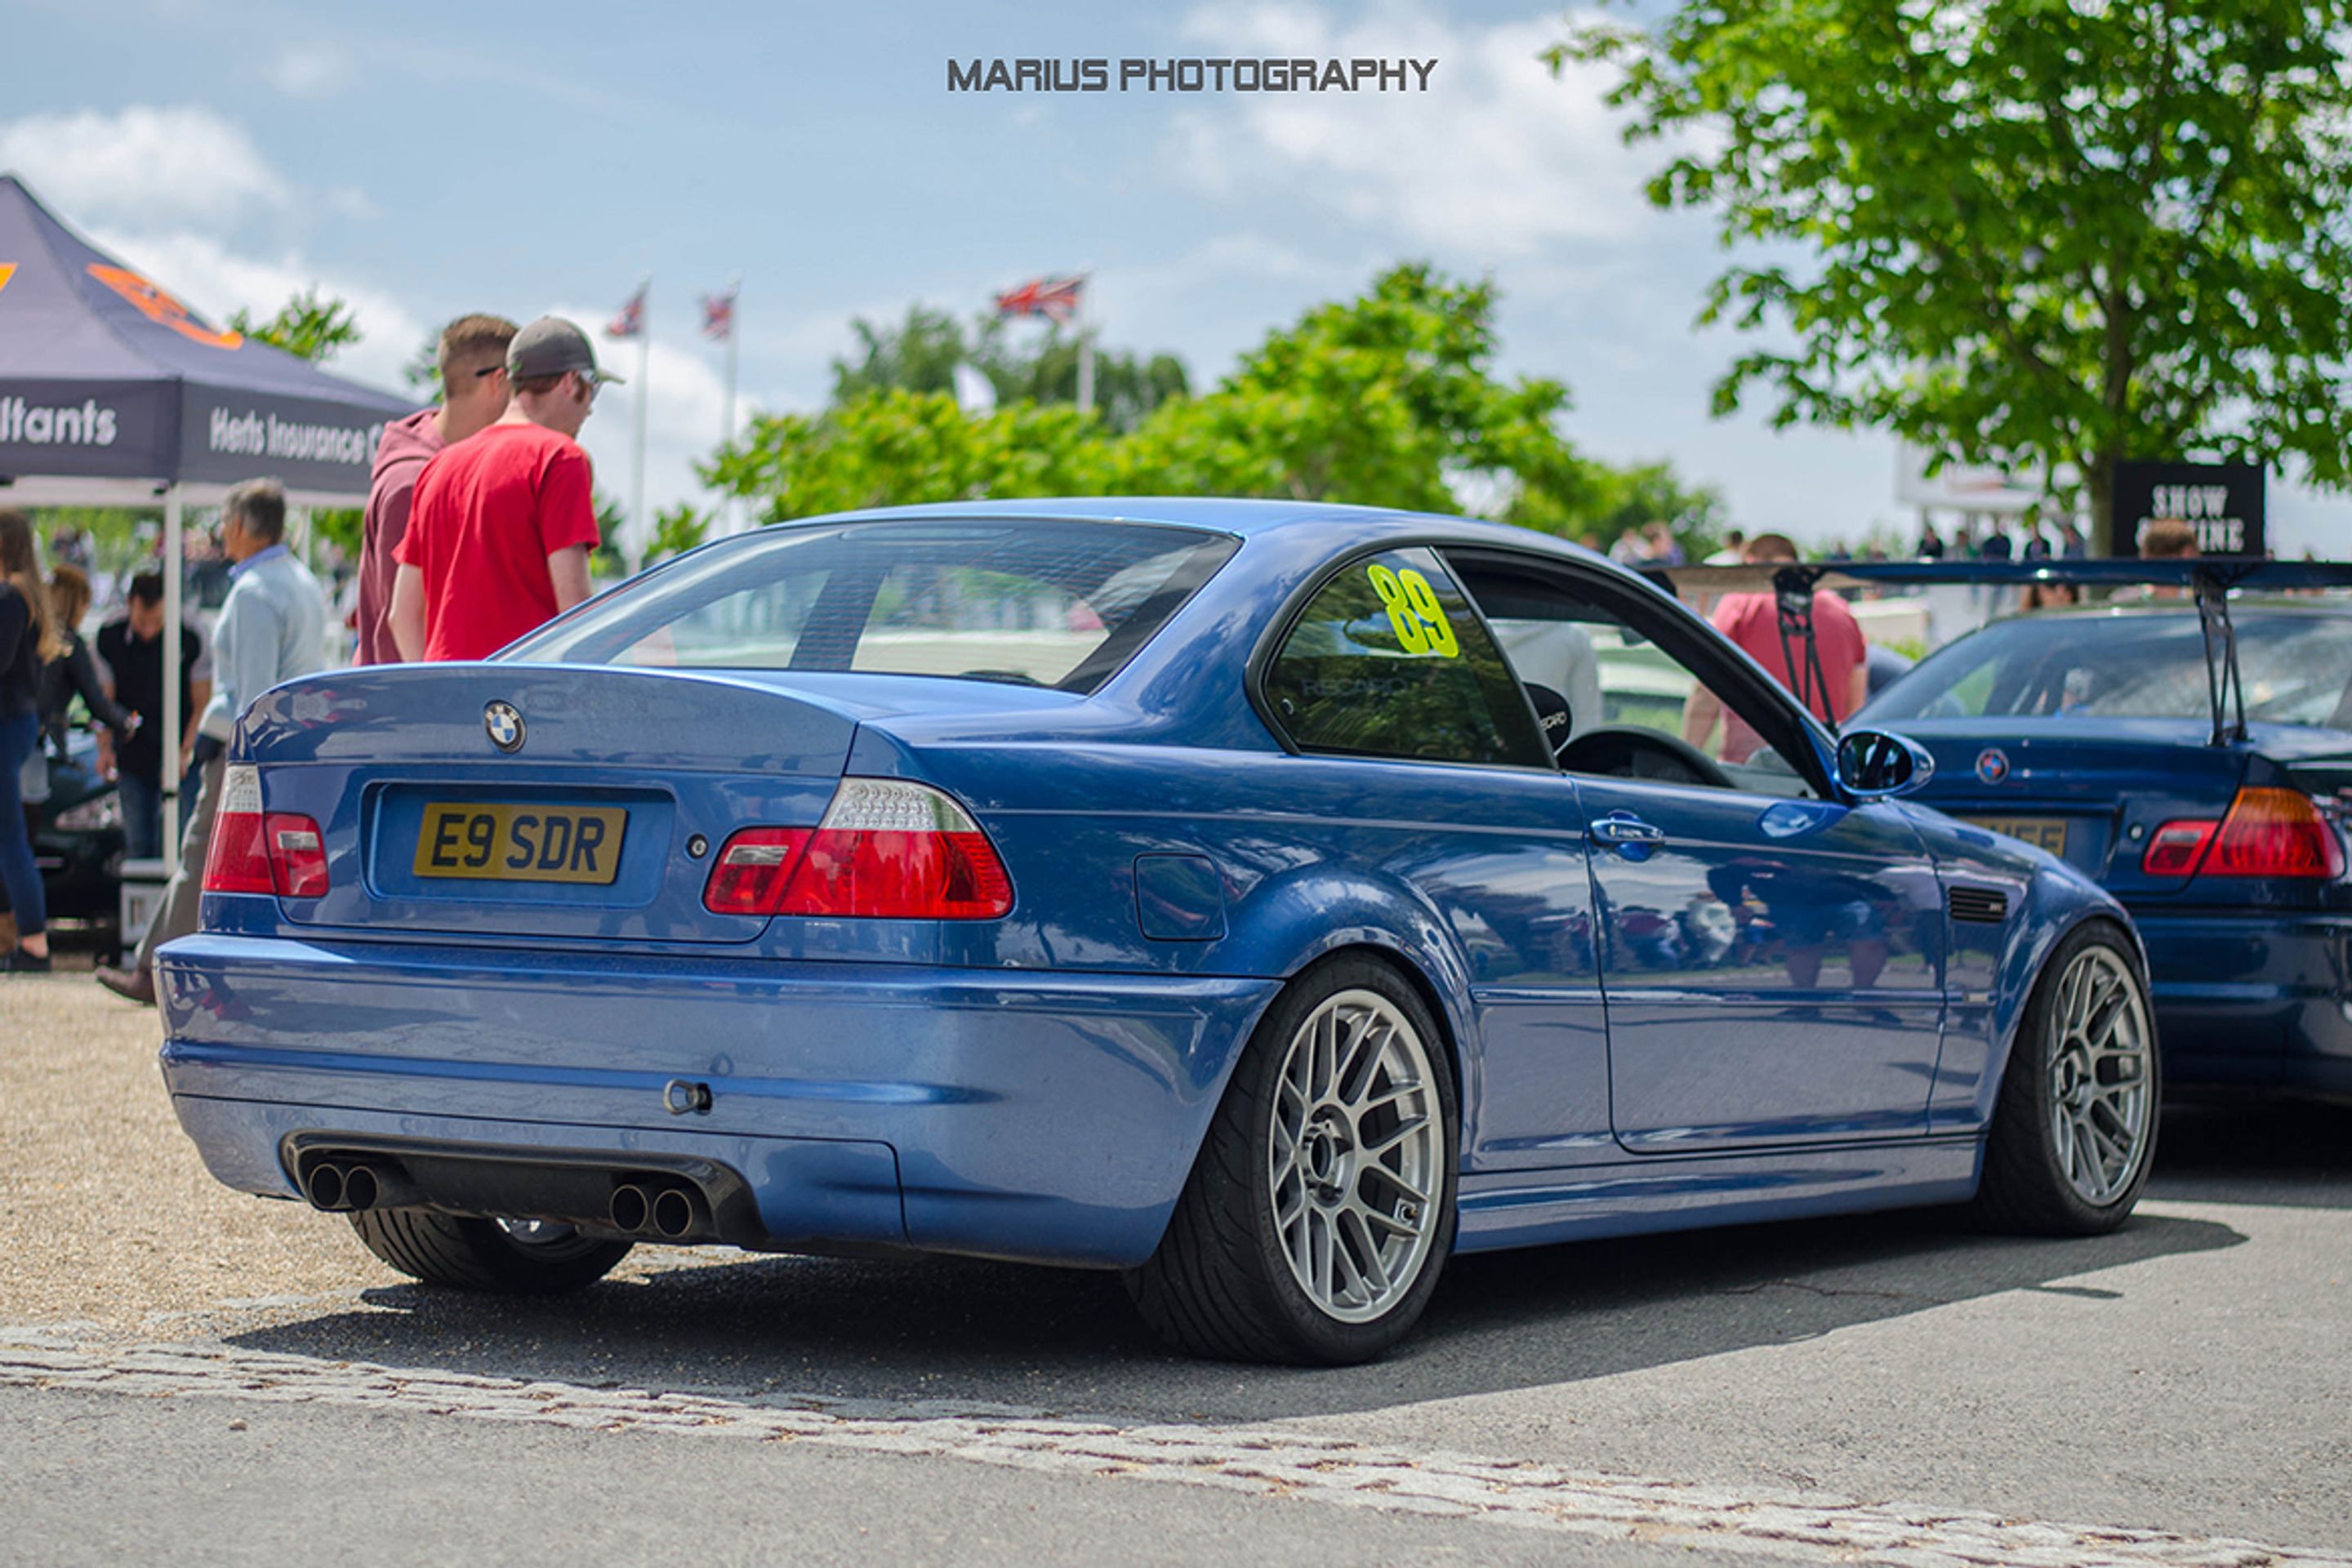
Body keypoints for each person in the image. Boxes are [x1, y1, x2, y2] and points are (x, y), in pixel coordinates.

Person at [98, 479, 327, 1005]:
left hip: (245, 748)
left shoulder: (253, 592)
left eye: (225, 522)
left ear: (242, 527)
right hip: (293, 747)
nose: (222, 533)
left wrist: (241, 757)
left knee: (198, 854)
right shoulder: (302, 581)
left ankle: (156, 968)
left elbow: (252, 692)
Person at [390, 316, 612, 662]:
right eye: (593, 387)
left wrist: (434, 691)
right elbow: (576, 611)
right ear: (570, 382)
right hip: (524, 702)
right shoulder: (560, 458)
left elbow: (401, 616)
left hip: (446, 701)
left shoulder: (439, 466)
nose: (591, 408)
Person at [354, 314, 518, 664]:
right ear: (498, 382)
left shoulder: (435, 468)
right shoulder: (411, 484)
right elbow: (401, 629)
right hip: (406, 707)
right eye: (523, 384)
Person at [1681, 532, 1869, 764]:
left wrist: (1684, 761)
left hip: (1755, 770)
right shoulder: (1843, 612)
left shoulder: (1741, 602)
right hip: (1824, 770)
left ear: (1749, 561)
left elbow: (1706, 695)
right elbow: (1855, 709)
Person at [94, 572, 209, 861]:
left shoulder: (192, 635)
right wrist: (104, 747)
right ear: (130, 604)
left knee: (178, 842)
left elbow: (202, 701)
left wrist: (185, 751)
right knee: (138, 842)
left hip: (180, 745)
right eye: (141, 622)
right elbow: (102, 699)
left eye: (156, 622)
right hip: (133, 749)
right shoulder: (109, 636)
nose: (148, 630)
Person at [0, 511, 63, 973]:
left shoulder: (10, 595)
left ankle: (34, 943)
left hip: (6, 725)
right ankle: (25, 937)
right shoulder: (27, 594)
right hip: (17, 724)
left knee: (11, 838)